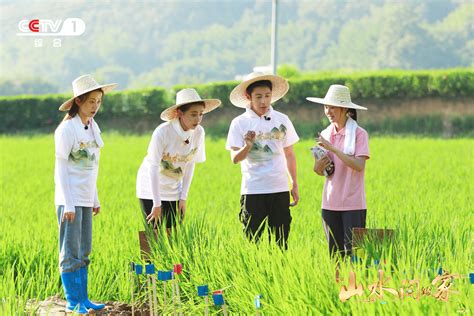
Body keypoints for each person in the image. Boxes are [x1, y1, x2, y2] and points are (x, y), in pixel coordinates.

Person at [55, 74, 117, 313]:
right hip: (68, 199)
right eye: (91, 101)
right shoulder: (66, 129)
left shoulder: (93, 127)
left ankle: (84, 299)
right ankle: (73, 302)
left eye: (99, 101)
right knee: (70, 251)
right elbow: (61, 166)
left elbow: (93, 166)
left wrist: (95, 198)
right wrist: (68, 203)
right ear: (78, 101)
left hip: (84, 197)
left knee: (84, 250)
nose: (95, 106)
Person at [226, 72, 299, 249]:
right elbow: (235, 159)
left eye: (267, 96)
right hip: (253, 190)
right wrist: (248, 145)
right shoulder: (239, 123)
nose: (263, 101)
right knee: (253, 242)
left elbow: (289, 153)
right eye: (258, 96)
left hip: (279, 188)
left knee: (281, 242)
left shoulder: (282, 119)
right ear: (247, 96)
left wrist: (294, 183)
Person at [136, 88, 221, 235]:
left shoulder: (199, 132)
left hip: (174, 187)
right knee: (152, 233)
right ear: (180, 113)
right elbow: (153, 167)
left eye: (201, 114)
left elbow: (190, 164)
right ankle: (148, 259)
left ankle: (170, 260)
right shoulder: (162, 132)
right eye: (193, 115)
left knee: (173, 234)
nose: (198, 119)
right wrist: (157, 204)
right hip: (150, 187)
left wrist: (183, 197)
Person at [306, 84, 370, 259]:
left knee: (355, 255)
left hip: (353, 203)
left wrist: (333, 149)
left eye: (332, 107)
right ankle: (336, 286)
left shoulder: (359, 134)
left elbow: (358, 165)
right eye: (326, 107)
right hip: (329, 202)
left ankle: (357, 286)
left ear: (344, 109)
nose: (328, 111)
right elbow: (323, 171)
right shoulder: (325, 134)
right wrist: (317, 166)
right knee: (334, 256)